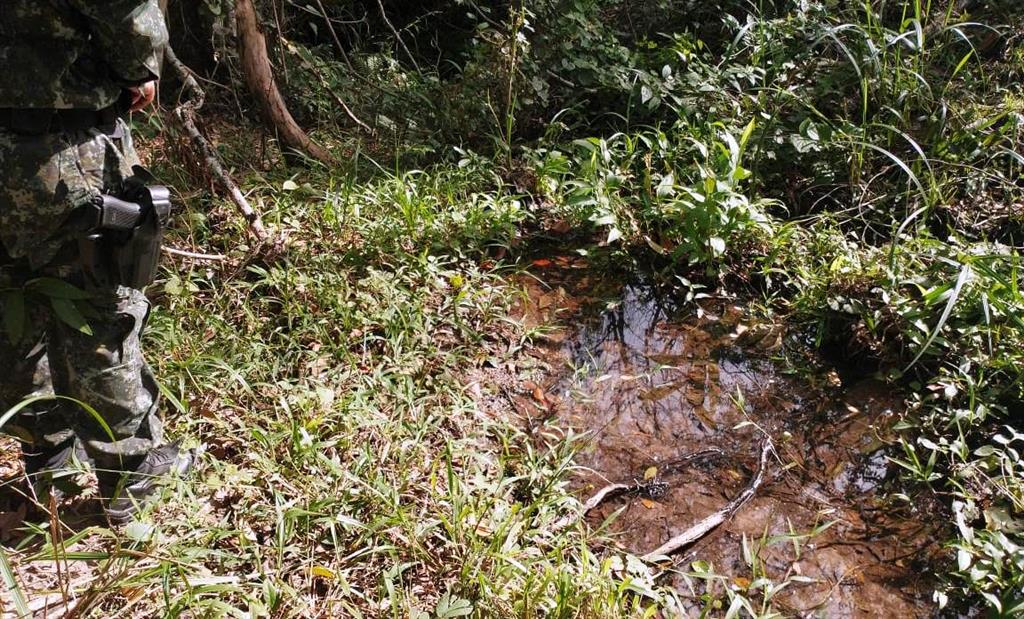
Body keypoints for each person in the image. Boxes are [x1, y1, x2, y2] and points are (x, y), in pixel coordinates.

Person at [0, 0, 191, 522]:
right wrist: (136, 72)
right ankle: (135, 471)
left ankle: (47, 454)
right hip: (63, 153)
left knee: (13, 303)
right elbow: (132, 30)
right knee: (99, 309)